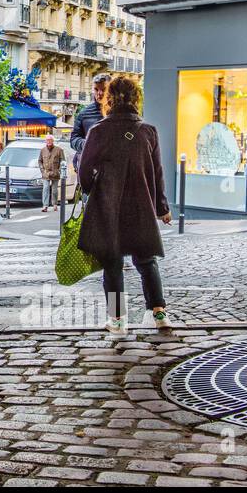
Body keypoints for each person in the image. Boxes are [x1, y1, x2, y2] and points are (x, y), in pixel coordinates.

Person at [78, 76, 174, 335]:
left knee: (112, 263)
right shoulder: (148, 131)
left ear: (109, 98)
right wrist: (162, 207)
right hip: (141, 204)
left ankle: (118, 319)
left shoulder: (98, 131)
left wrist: (94, 188)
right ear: (135, 98)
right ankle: (159, 313)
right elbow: (157, 174)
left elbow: (84, 174)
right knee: (146, 261)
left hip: (108, 205)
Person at [70, 73, 112, 170]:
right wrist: (87, 144)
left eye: (103, 89)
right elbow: (73, 139)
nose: (99, 93)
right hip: (90, 167)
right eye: (96, 89)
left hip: (112, 167)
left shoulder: (118, 112)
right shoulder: (84, 113)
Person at [38, 133, 65, 212]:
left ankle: (55, 204)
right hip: (46, 173)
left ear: (53, 141)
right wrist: (42, 170)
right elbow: (40, 161)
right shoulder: (43, 150)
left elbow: (63, 161)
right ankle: (45, 206)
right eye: (47, 140)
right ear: (45, 141)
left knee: (54, 190)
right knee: (45, 188)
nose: (49, 142)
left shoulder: (59, 150)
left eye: (50, 140)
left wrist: (59, 170)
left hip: (55, 173)